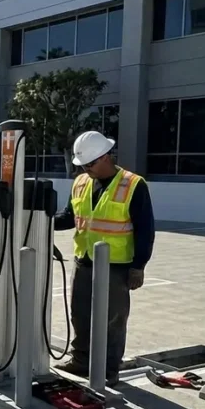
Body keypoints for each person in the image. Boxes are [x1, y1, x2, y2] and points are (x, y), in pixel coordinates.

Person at [53, 131, 156, 387]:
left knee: (112, 320)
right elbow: (69, 217)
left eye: (90, 164)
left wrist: (138, 266)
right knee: (80, 314)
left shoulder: (133, 185)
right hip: (84, 260)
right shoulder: (80, 183)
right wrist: (38, 217)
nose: (87, 170)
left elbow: (145, 229)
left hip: (116, 266)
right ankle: (81, 361)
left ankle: (108, 369)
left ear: (106, 156)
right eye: (83, 165)